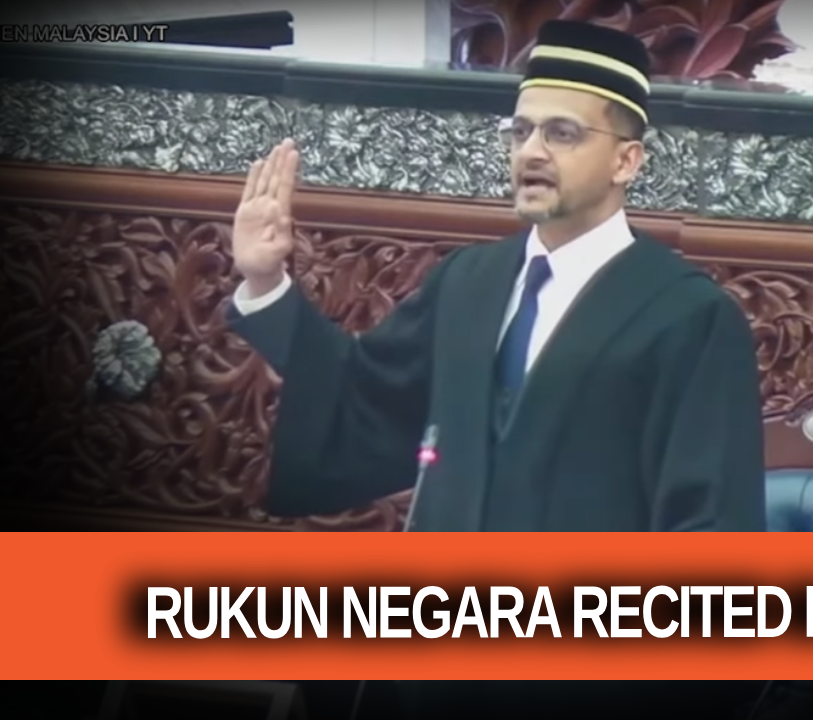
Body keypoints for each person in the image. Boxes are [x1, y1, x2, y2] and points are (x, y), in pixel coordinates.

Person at [224, 20, 765, 532]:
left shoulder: (688, 318)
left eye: (562, 133)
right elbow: (366, 395)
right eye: (521, 131)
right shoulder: (469, 282)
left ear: (626, 162)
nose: (531, 151)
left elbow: (711, 524)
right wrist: (267, 283)